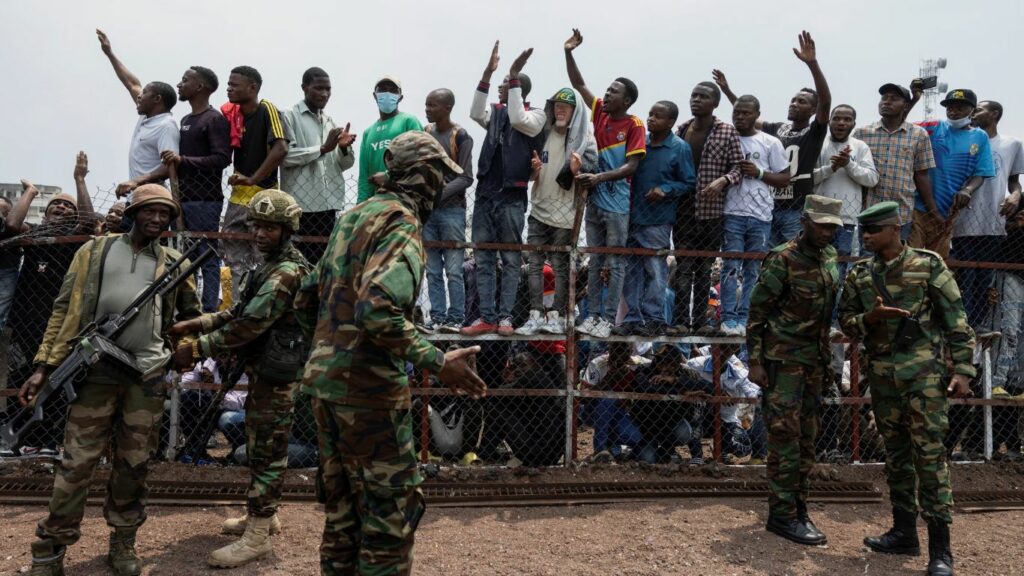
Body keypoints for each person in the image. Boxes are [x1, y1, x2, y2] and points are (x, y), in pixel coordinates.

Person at [294, 132, 486, 575]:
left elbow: (306, 296)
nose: (442, 186)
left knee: (342, 516)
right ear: (422, 177)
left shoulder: (353, 217)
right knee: (388, 520)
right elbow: (377, 309)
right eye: (439, 175)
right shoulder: (401, 224)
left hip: (325, 389)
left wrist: (327, 353)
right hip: (368, 395)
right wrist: (439, 363)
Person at [20, 184, 200, 576]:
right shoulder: (93, 251)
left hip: (147, 375)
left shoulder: (173, 262)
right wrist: (42, 367)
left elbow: (190, 317)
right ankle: (50, 548)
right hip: (94, 371)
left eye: (165, 214)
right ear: (133, 213)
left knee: (133, 463)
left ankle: (123, 541)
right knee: (77, 463)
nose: (157, 219)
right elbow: (63, 309)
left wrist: (188, 348)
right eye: (150, 211)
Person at [168, 189, 310, 568]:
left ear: (287, 230)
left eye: (270, 227)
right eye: (257, 226)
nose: (261, 233)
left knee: (267, 451)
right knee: (260, 445)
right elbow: (237, 313)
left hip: (278, 377)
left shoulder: (286, 273)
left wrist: (195, 349)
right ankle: (263, 516)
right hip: (265, 371)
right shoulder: (266, 266)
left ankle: (258, 536)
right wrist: (197, 323)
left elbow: (249, 324)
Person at [839, 201, 975, 576]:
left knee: (929, 459)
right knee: (896, 458)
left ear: (894, 228)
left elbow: (957, 320)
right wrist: (869, 318)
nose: (865, 237)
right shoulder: (860, 276)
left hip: (924, 380)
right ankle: (903, 532)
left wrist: (963, 369)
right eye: (863, 231)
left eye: (872, 231)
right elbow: (846, 323)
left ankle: (941, 551)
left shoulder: (928, 264)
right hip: (882, 380)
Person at [746, 195, 842, 546]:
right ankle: (782, 514)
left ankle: (799, 507)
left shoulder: (830, 257)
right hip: (783, 361)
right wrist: (755, 361)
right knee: (784, 436)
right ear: (804, 220)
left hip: (815, 362)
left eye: (833, 226)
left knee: (807, 437)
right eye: (822, 225)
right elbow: (757, 313)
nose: (828, 232)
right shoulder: (782, 260)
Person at [4, 155, 96, 458]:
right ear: (45, 215)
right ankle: (15, 440)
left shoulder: (74, 239)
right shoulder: (34, 234)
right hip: (24, 321)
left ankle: (45, 441)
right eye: (56, 203)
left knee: (54, 380)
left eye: (68, 206)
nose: (61, 207)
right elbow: (13, 224)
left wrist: (79, 180)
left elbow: (88, 221)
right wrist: (30, 192)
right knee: (19, 378)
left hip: (58, 324)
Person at [564, 29, 647, 339]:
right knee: (596, 257)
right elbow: (579, 84)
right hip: (596, 198)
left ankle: (608, 317)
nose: (607, 94)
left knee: (615, 259)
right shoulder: (600, 113)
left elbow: (633, 165)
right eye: (608, 90)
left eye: (614, 92)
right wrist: (569, 52)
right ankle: (593, 315)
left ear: (626, 99)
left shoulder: (633, 123)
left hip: (616, 199)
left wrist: (598, 177)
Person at [713, 31, 832, 247]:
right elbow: (747, 115)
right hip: (769, 205)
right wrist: (728, 91)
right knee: (766, 258)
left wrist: (812, 64)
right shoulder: (777, 129)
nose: (794, 103)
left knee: (791, 256)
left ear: (813, 110)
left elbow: (826, 102)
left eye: (802, 102)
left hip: (795, 209)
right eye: (793, 100)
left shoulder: (815, 131)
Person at [461, 43, 546, 336]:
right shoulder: (496, 114)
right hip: (487, 194)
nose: (500, 90)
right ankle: (486, 316)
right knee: (483, 257)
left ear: (518, 90)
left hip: (512, 197)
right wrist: (488, 72)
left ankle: (505, 317)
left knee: (510, 259)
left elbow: (519, 118)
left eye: (506, 86)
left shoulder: (536, 116)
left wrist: (512, 74)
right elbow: (474, 112)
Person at [515, 87, 597, 336]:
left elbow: (593, 170)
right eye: (556, 106)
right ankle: (535, 314)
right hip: (540, 207)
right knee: (535, 264)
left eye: (566, 106)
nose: (560, 110)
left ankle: (558, 316)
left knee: (561, 265)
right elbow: (531, 169)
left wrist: (577, 168)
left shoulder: (584, 137)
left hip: (565, 211)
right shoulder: (544, 133)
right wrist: (533, 170)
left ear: (575, 111)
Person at [671, 81, 744, 336]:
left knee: (704, 269)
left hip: (712, 211)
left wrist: (723, 180)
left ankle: (700, 321)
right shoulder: (681, 130)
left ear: (715, 103)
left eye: (702, 96)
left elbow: (739, 168)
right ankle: (680, 321)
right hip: (683, 209)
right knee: (683, 267)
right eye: (693, 95)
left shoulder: (726, 131)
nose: (696, 100)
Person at [160, 64, 232, 312]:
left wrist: (183, 161)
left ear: (200, 86)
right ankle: (185, 307)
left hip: (205, 200)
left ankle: (208, 310)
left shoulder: (214, 120)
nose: (179, 84)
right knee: (182, 255)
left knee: (207, 256)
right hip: (181, 199)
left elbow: (222, 158)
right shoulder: (185, 120)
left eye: (185, 80)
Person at [619, 100, 694, 335]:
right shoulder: (641, 144)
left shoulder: (679, 148)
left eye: (657, 116)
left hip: (658, 219)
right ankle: (632, 318)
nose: (651, 119)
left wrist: (666, 190)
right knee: (631, 270)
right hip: (631, 216)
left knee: (655, 270)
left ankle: (654, 319)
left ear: (670, 122)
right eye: (650, 114)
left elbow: (689, 182)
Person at [720, 95, 791, 336]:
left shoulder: (770, 142)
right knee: (730, 264)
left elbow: (784, 178)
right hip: (731, 212)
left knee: (754, 269)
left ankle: (745, 315)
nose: (739, 117)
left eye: (745, 113)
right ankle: (728, 317)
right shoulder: (726, 138)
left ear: (757, 114)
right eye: (736, 112)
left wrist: (759, 172)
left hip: (761, 215)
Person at [222, 66, 291, 299]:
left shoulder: (266, 109)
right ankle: (235, 306)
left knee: (263, 256)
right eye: (228, 84)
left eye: (234, 85)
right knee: (232, 255)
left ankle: (262, 305)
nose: (229, 88)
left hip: (264, 194)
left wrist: (252, 178)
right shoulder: (233, 114)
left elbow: (281, 147)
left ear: (252, 88)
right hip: (238, 195)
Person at [950, 98, 1017, 327]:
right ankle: (962, 325)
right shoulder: (963, 139)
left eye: (979, 109)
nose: (973, 113)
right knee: (964, 276)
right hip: (962, 220)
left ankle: (979, 325)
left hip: (993, 220)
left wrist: (1016, 195)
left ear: (994, 114)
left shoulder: (1011, 144)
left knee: (984, 277)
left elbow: (1013, 181)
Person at [281, 67, 357, 264]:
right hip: (300, 207)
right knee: (298, 262)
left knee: (322, 263)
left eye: (328, 89)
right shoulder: (289, 116)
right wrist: (322, 148)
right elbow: (286, 157)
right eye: (318, 88)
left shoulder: (329, 121)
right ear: (304, 88)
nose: (324, 94)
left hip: (327, 205)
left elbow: (343, 164)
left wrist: (342, 149)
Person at [910, 89, 995, 263]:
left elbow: (981, 173)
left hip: (947, 212)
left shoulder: (979, 137)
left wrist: (968, 189)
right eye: (950, 108)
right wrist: (913, 100)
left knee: (938, 264)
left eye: (960, 108)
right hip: (918, 208)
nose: (953, 112)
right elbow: (903, 125)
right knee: (912, 261)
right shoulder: (933, 126)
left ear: (972, 110)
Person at [96, 30, 179, 201]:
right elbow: (132, 84)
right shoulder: (146, 116)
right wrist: (110, 53)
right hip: (134, 196)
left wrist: (136, 181)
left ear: (157, 99)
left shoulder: (166, 126)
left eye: (145, 93)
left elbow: (168, 167)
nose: (140, 95)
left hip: (152, 198)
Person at [853, 83, 937, 243]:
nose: (886, 102)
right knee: (866, 259)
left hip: (901, 212)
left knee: (896, 258)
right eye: (884, 98)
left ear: (905, 105)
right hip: (868, 210)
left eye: (894, 99)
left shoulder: (918, 135)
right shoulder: (862, 133)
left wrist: (932, 210)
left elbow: (922, 175)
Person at [422, 88, 475, 333]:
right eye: (426, 105)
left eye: (432, 105)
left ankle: (456, 317)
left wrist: (439, 193)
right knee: (432, 270)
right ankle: (438, 317)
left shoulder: (461, 136)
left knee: (454, 270)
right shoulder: (426, 133)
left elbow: (466, 177)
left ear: (447, 108)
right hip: (428, 213)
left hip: (452, 211)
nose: (427, 110)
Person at [812, 104, 879, 278]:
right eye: (837, 118)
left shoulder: (860, 146)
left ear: (853, 124)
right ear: (829, 121)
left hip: (846, 218)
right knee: (815, 263)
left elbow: (872, 179)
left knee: (841, 265)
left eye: (847, 119)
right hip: (818, 215)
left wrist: (848, 164)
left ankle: (837, 303)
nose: (841, 123)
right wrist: (831, 168)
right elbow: (806, 179)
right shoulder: (818, 143)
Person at [356, 76, 423, 204]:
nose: (387, 93)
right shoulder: (368, 132)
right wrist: (360, 204)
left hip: (404, 200)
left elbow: (420, 161)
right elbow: (364, 176)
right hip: (375, 203)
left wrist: (388, 176)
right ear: (375, 96)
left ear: (400, 97)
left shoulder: (409, 121)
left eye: (393, 90)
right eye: (382, 89)